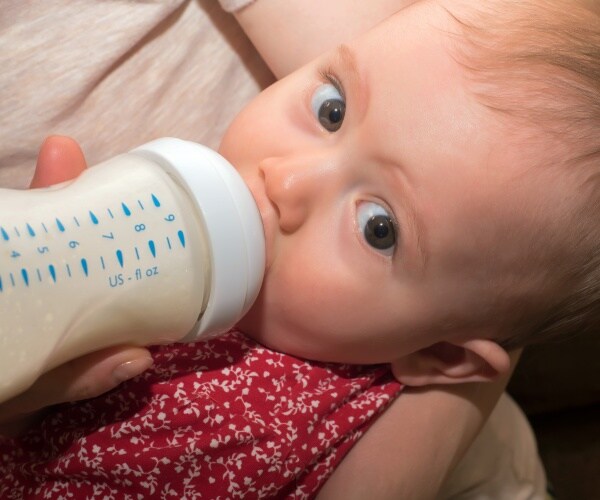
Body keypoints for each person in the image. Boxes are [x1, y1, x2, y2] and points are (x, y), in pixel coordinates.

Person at [3, 0, 596, 496]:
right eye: (331, 110)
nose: (285, 181)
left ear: (441, 357)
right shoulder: (145, 241)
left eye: (378, 228)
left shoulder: (365, 434)